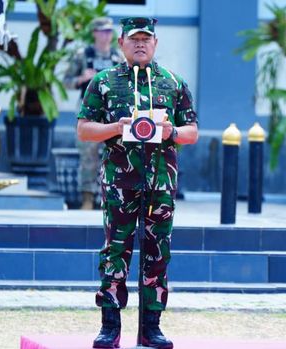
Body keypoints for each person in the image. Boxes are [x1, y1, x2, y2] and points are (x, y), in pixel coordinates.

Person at [76, 17, 198, 349]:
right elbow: (84, 129)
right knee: (115, 251)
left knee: (158, 253)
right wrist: (116, 127)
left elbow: (192, 133)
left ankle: (151, 328)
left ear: (155, 43)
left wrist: (171, 131)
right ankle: (110, 326)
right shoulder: (103, 82)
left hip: (160, 182)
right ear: (121, 44)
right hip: (119, 182)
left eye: (146, 39)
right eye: (133, 39)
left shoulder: (172, 82)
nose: (140, 44)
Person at [64, 17, 124, 210]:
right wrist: (82, 78)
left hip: (112, 111)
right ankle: (87, 199)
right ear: (94, 33)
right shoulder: (83, 55)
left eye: (109, 31)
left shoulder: (117, 57)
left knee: (114, 153)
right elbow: (66, 81)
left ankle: (108, 198)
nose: (106, 35)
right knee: (88, 156)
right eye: (102, 31)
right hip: (89, 110)